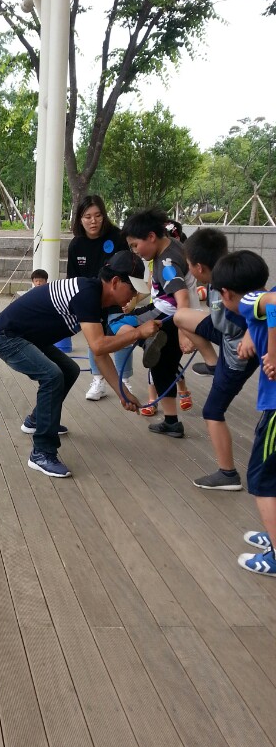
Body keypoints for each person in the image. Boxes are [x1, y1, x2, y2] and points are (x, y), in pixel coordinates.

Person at [0, 250, 161, 478]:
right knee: (52, 376)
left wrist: (122, 392)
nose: (135, 295)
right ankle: (41, 453)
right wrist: (138, 333)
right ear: (115, 282)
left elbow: (99, 353)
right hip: (7, 337)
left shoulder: (98, 300)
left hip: (29, 338)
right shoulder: (87, 294)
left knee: (69, 370)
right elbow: (98, 346)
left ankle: (37, 420)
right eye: (132, 289)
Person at [206, 251, 276, 575]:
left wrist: (272, 352)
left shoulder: (248, 302)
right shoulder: (261, 297)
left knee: (262, 480)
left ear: (226, 294)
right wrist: (254, 333)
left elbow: (272, 306)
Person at [174, 228, 258, 490]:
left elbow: (270, 303)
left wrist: (252, 332)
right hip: (225, 333)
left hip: (237, 357)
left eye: (189, 265)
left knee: (212, 411)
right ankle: (211, 363)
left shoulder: (233, 283)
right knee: (180, 317)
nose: (188, 270)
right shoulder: (217, 277)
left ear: (199, 267)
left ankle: (228, 474)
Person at [122, 208, 197, 438]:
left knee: (118, 324)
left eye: (135, 245)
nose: (135, 251)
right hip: (170, 314)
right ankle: (172, 422)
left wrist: (184, 332)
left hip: (168, 315)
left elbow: (182, 298)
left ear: (151, 237)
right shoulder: (173, 245)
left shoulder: (166, 263)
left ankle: (149, 340)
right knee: (163, 368)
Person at [66, 195, 133, 401]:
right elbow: (72, 279)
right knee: (94, 339)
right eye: (87, 217)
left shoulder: (117, 237)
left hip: (116, 296)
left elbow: (129, 269)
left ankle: (123, 379)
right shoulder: (76, 245)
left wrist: (132, 298)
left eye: (97, 215)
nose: (93, 221)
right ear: (80, 219)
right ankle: (98, 380)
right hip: (91, 299)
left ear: (104, 216)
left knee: (122, 333)